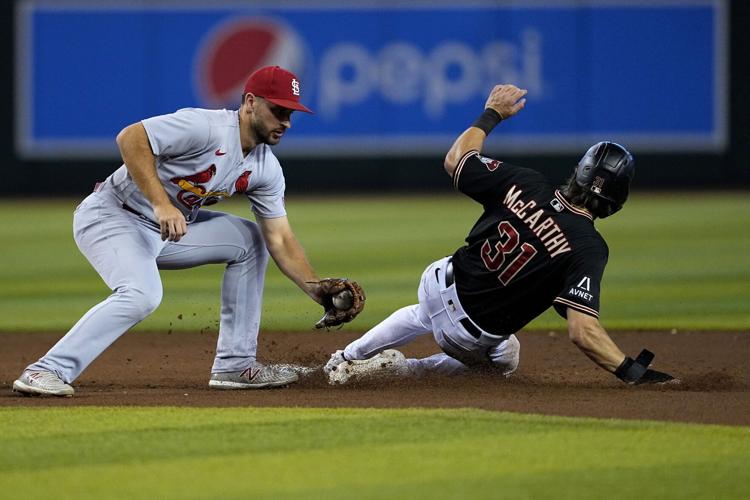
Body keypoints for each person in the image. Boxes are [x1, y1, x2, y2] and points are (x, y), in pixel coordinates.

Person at [14, 65, 356, 397]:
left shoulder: (265, 167)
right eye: (278, 110)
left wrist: (317, 289)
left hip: (167, 233)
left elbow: (280, 237)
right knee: (141, 294)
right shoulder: (206, 127)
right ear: (250, 102)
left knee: (252, 240)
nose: (285, 122)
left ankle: (235, 365)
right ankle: (46, 370)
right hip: (113, 216)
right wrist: (162, 204)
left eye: (291, 114)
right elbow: (131, 137)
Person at [324, 84, 676, 386]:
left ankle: (345, 356)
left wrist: (492, 112)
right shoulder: (588, 247)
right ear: (618, 196)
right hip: (465, 334)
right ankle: (403, 371)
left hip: (436, 282)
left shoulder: (527, 182)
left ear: (579, 172)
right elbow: (582, 331)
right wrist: (631, 371)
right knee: (503, 362)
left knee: (433, 317)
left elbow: (456, 159)